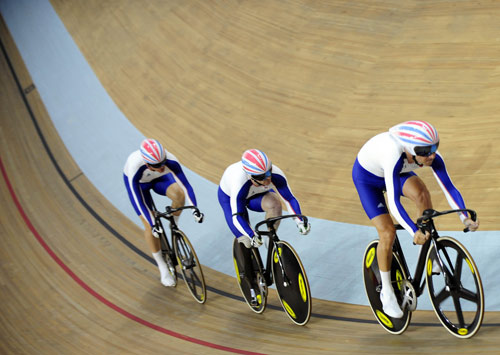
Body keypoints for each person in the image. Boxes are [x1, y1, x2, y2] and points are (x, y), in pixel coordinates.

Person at [352, 120, 479, 318]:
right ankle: (386, 293)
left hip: (395, 173)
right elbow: (393, 203)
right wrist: (414, 230)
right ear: (410, 150)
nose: (432, 155)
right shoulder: (393, 153)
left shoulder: (427, 155)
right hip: (368, 180)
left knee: (422, 195)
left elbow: (449, 187)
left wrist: (464, 217)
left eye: (435, 148)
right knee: (387, 232)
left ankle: (427, 252)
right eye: (426, 151)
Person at [218, 149, 311, 303]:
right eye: (263, 177)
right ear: (251, 176)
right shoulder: (238, 181)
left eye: (269, 173)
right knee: (246, 241)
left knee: (275, 204)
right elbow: (236, 216)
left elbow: (289, 199)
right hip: (231, 199)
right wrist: (250, 234)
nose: (268, 179)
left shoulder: (276, 174)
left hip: (256, 195)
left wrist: (299, 221)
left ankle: (269, 242)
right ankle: (251, 283)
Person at [123, 138, 203, 287]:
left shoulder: (170, 160)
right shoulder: (135, 166)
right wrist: (153, 224)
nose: (161, 167)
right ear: (147, 164)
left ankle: (174, 225)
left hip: (160, 181)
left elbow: (185, 186)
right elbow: (138, 200)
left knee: (179, 195)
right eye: (156, 166)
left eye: (162, 163)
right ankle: (162, 267)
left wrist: (195, 208)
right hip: (140, 187)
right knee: (149, 225)